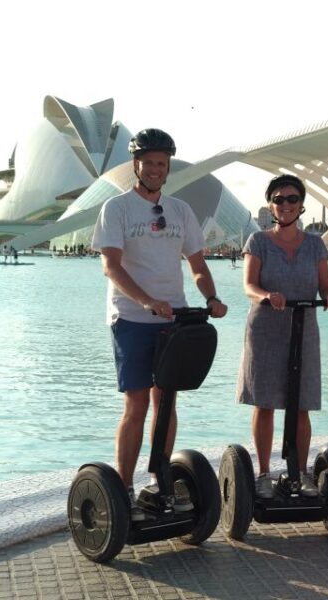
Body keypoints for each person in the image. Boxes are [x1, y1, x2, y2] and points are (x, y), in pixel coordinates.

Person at [91, 128, 228, 520]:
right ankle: (124, 489)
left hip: (175, 318)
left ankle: (160, 479)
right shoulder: (116, 209)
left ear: (168, 168)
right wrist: (147, 300)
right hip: (132, 318)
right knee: (136, 403)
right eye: (148, 162)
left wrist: (212, 298)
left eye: (160, 164)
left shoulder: (180, 210)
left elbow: (198, 265)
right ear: (136, 165)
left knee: (166, 400)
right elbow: (111, 266)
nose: (154, 169)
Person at [235, 174, 328, 499]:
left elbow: (326, 285)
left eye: (292, 199)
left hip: (304, 329)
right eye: (279, 199)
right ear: (271, 205)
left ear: (301, 205)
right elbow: (249, 286)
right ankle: (264, 473)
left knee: (301, 405)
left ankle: (298, 470)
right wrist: (267, 295)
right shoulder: (258, 241)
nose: (286, 205)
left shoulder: (314, 244)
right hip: (267, 329)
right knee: (265, 403)